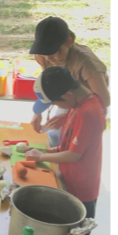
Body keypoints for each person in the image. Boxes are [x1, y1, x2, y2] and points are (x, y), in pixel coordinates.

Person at [26, 66, 106, 235]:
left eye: (55, 103)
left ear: (68, 94)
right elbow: (69, 145)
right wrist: (48, 151)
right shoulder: (78, 103)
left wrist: (42, 156)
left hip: (81, 186)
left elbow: (74, 155)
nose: (57, 107)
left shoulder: (88, 112)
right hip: (69, 177)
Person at [29, 16, 111, 147]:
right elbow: (47, 83)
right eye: (44, 52)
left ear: (68, 42)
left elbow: (103, 101)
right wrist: (37, 112)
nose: (48, 58)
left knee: (77, 147)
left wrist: (69, 116)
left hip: (90, 108)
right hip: (68, 101)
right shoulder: (43, 55)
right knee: (56, 136)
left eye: (53, 52)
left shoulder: (87, 64)